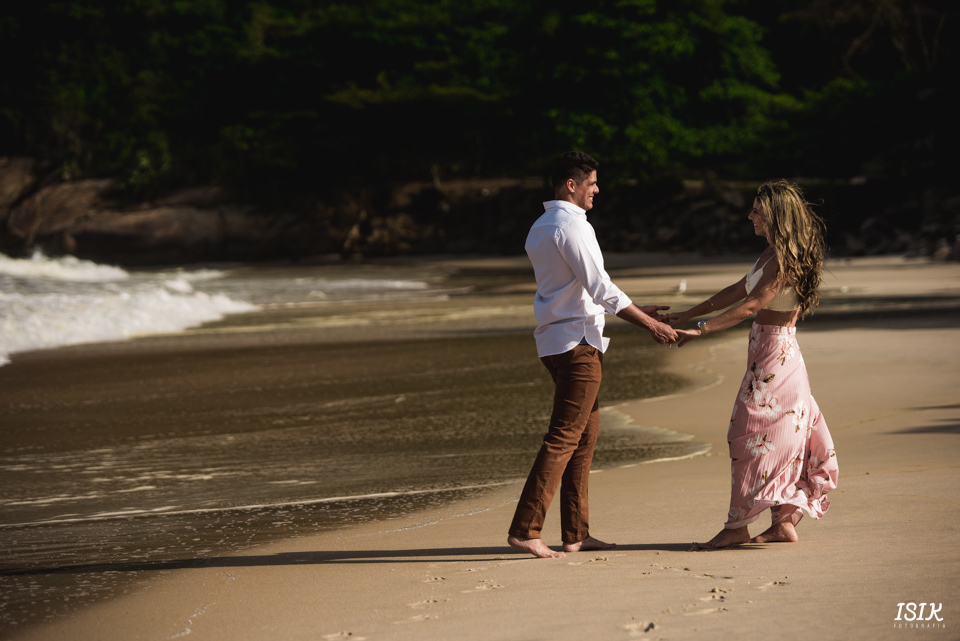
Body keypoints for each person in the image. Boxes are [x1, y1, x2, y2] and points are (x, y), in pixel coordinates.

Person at [507, 151, 678, 559]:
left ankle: (575, 534)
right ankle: (526, 529)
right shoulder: (571, 226)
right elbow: (600, 287)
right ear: (572, 184)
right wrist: (649, 324)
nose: (597, 190)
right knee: (566, 437)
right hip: (577, 344)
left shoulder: (540, 226)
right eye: (593, 182)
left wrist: (638, 310)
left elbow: (579, 288)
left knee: (584, 437)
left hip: (556, 340)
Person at [669, 179, 839, 549]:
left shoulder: (783, 257)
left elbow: (751, 306)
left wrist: (702, 330)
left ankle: (738, 526)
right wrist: (688, 314)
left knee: (750, 437)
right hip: (767, 357)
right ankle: (782, 522)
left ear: (775, 216)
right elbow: (737, 291)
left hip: (777, 359)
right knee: (776, 437)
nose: (750, 216)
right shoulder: (769, 253)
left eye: (757, 211)